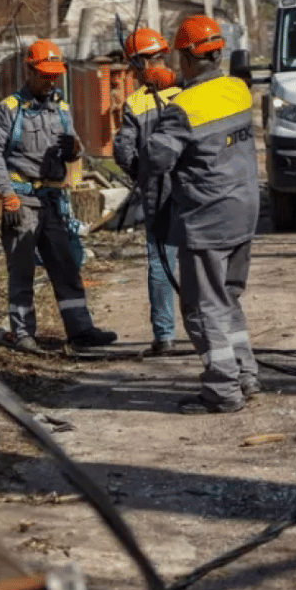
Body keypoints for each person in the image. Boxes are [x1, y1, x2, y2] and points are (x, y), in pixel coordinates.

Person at [144, 16, 260, 415]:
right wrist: (177, 89)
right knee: (228, 297)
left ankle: (222, 391)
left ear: (188, 58)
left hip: (207, 218)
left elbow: (156, 157)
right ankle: (245, 375)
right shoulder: (238, 90)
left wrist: (163, 106)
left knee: (203, 306)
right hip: (244, 212)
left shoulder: (181, 109)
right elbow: (206, 104)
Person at [0, 39, 118, 352]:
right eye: (45, 74)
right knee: (22, 271)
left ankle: (81, 331)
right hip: (23, 201)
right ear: (29, 71)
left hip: (54, 201)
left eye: (55, 74)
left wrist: (75, 151)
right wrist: (7, 195)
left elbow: (74, 149)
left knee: (65, 267)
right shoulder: (10, 110)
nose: (51, 80)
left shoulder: (62, 106)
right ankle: (23, 335)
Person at [113, 27, 183, 357]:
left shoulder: (136, 103)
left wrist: (142, 177)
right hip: (194, 189)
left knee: (161, 264)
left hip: (158, 192)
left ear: (137, 65)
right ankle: (207, 332)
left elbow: (124, 151)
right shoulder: (187, 92)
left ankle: (165, 336)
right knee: (200, 262)